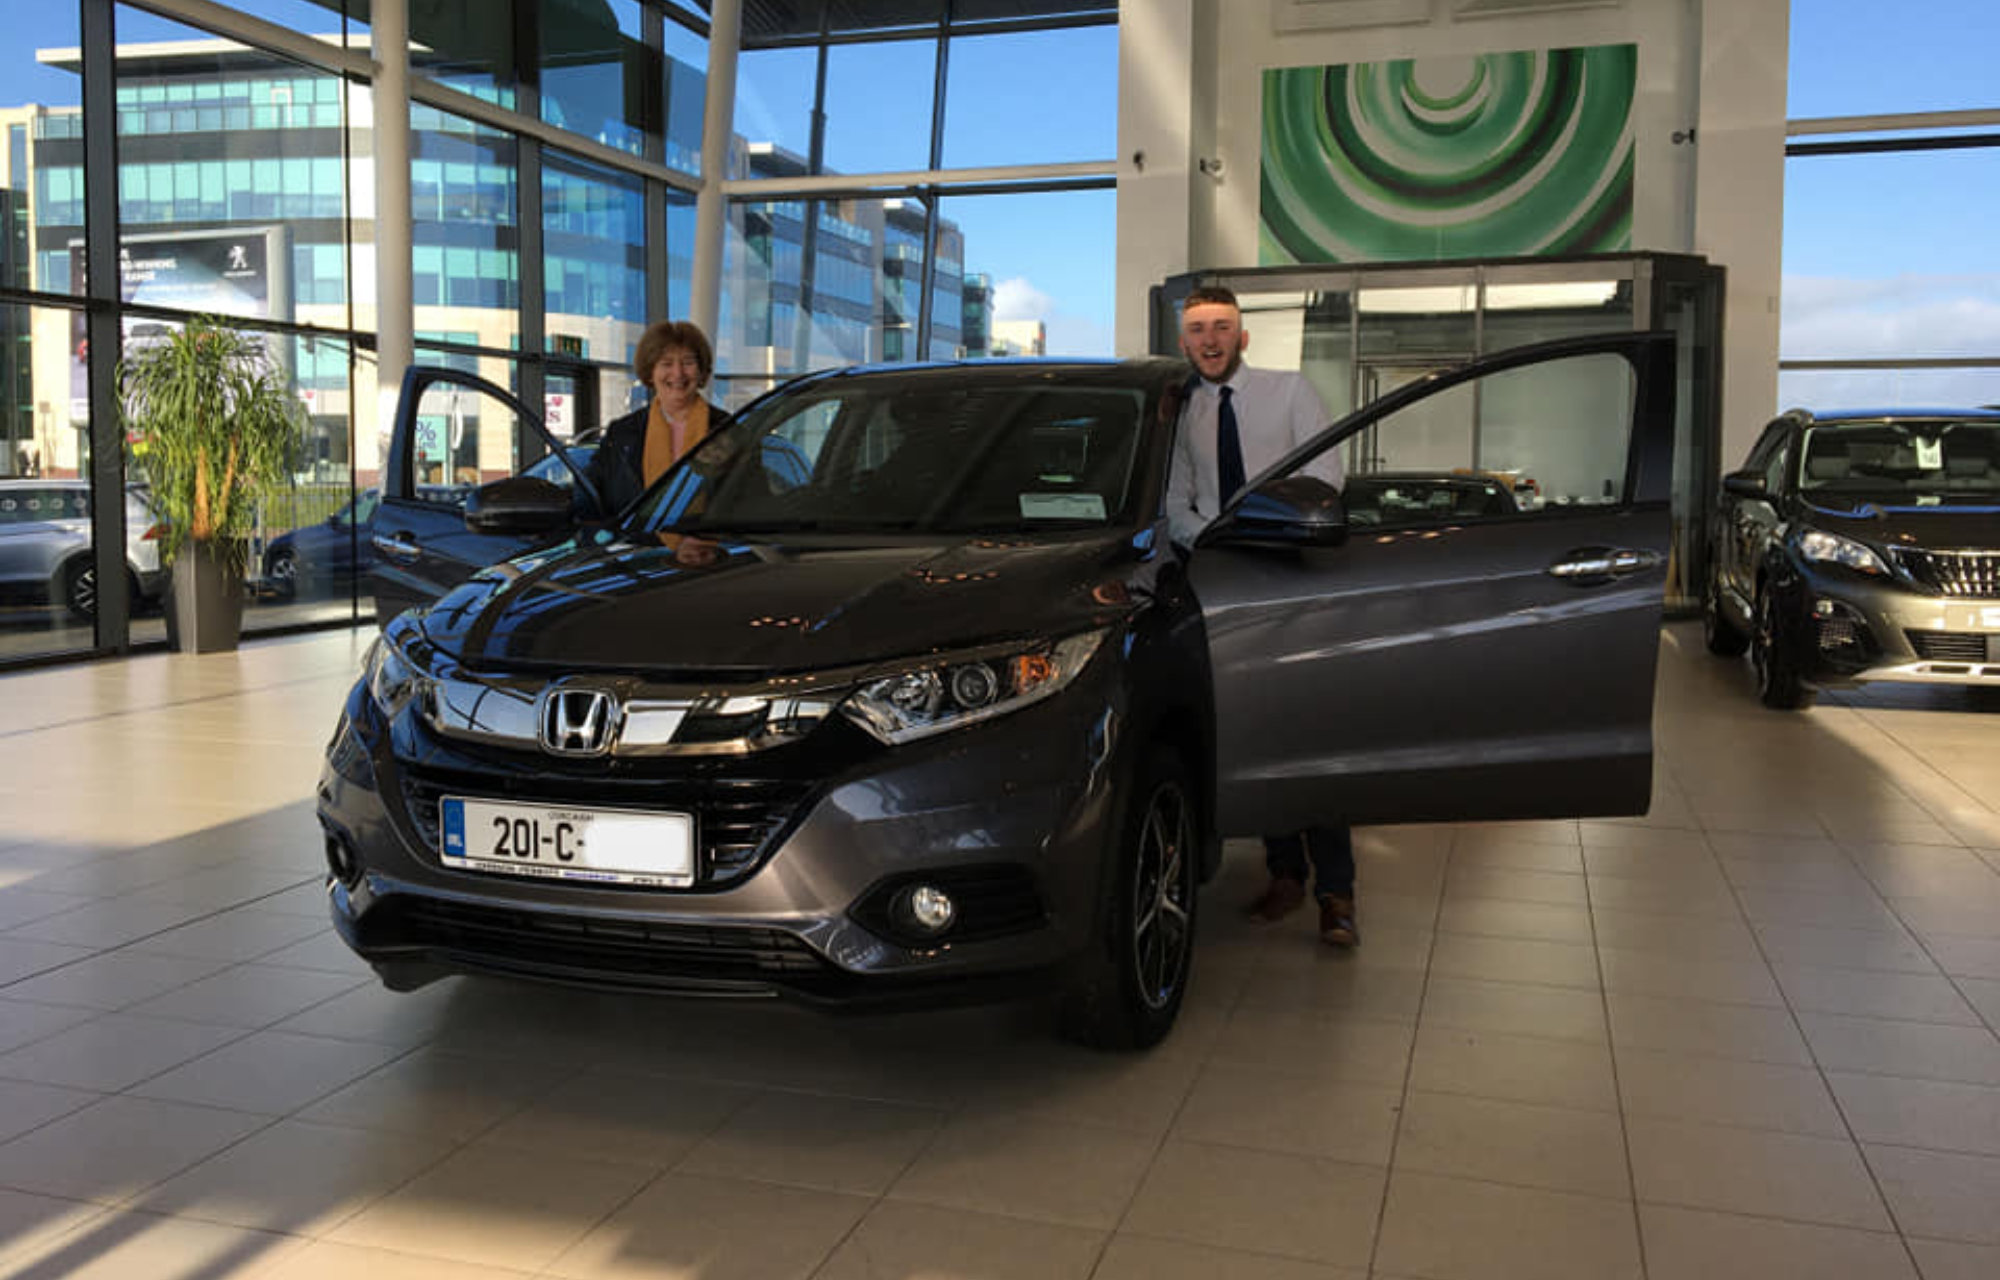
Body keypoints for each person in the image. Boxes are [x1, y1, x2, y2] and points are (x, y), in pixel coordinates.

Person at [1165, 284, 1359, 948]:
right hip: (1226, 584)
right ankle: (1286, 875)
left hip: (1295, 579)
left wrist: (1265, 532)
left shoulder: (1290, 391)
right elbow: (1177, 504)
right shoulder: (1180, 413)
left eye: (1221, 326)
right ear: (1183, 341)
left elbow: (1327, 476)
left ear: (1242, 336)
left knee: (1312, 733)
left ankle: (1338, 892)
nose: (1210, 339)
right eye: (1198, 328)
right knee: (1258, 730)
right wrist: (1221, 541)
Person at [579, 319, 733, 520]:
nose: (678, 373)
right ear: (650, 372)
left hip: (709, 540)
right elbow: (590, 500)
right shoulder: (621, 434)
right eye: (666, 364)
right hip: (637, 540)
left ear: (701, 371)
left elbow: (751, 500)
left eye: (688, 363)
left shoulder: (729, 429)